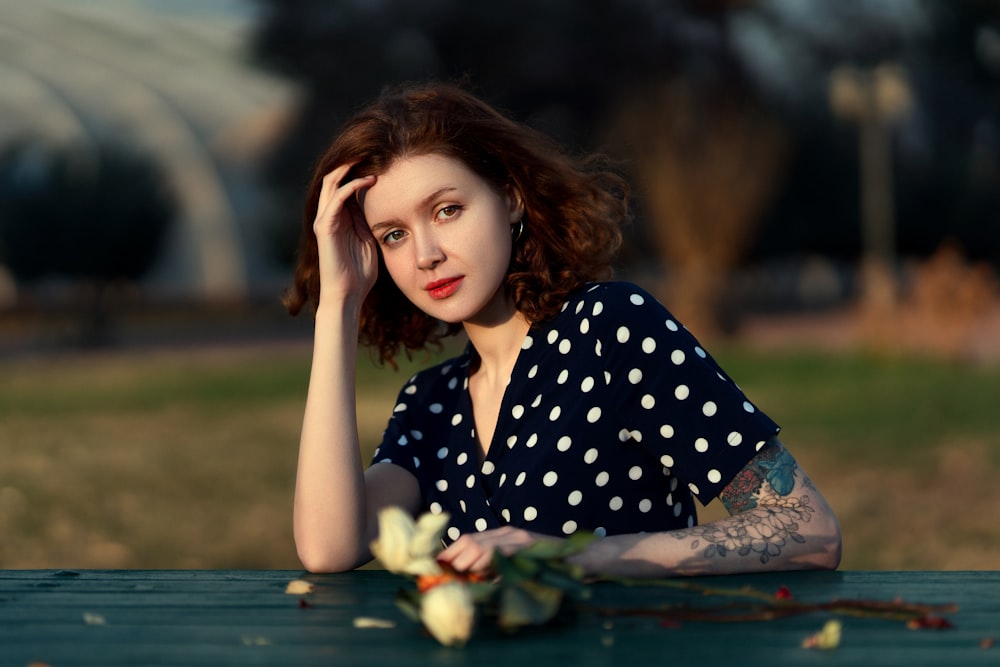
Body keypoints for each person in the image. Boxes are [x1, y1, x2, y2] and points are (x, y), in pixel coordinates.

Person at [285, 82, 842, 578]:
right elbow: (329, 549)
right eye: (393, 235)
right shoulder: (429, 407)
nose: (426, 254)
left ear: (510, 197)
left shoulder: (611, 331)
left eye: (448, 210)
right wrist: (338, 307)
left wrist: (570, 555)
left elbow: (806, 527)